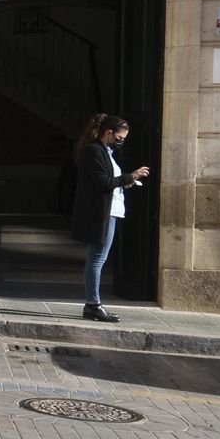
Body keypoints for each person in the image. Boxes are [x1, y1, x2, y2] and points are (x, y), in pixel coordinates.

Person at [70, 113, 150, 323]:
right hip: (102, 213)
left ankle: (93, 304)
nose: (122, 141)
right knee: (97, 258)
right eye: (120, 137)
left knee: (98, 258)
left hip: (111, 210)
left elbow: (108, 181)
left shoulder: (105, 152)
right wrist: (131, 176)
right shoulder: (94, 151)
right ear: (109, 133)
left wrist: (125, 183)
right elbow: (103, 183)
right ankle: (93, 305)